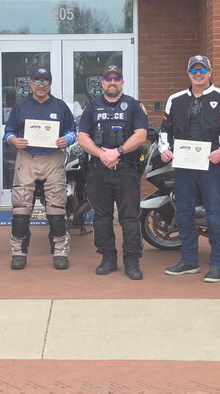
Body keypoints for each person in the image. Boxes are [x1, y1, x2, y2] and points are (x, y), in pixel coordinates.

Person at [158, 55, 220, 283]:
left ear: (210, 72)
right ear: (188, 73)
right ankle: (189, 261)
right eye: (194, 70)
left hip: (211, 166)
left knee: (214, 214)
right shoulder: (175, 99)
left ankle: (217, 264)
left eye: (202, 70)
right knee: (183, 213)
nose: (198, 74)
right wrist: (164, 149)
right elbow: (164, 130)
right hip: (184, 165)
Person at [78, 65, 148, 280]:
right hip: (99, 170)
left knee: (130, 218)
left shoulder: (134, 106)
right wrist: (103, 154)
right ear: (102, 83)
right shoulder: (92, 107)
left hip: (126, 169)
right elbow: (82, 137)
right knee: (101, 218)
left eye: (116, 78)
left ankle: (132, 261)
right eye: (108, 79)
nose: (112, 82)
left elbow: (141, 134)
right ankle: (107, 258)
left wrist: (118, 151)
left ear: (122, 82)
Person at [4, 68, 77, 270]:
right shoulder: (20, 106)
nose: (41, 85)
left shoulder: (60, 106)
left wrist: (67, 139)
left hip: (53, 158)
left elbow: (72, 130)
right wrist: (13, 140)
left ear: (50, 84)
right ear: (30, 83)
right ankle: (18, 252)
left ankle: (60, 251)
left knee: (56, 210)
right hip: (27, 158)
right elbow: (8, 131)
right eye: (37, 81)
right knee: (21, 210)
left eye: (45, 81)